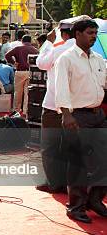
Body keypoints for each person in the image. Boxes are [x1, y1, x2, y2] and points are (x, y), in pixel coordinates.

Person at [54, 18, 107, 224]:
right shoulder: (66, 59)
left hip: (98, 115)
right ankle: (75, 207)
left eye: (95, 33)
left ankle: (95, 199)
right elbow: (61, 89)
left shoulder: (98, 59)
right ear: (77, 34)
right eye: (90, 33)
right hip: (77, 116)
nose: (94, 36)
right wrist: (67, 115)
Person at [35, 19, 78, 194]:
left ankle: (54, 182)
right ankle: (70, 184)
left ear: (63, 33)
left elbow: (41, 63)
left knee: (50, 146)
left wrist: (48, 42)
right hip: (76, 107)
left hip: (54, 105)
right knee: (71, 147)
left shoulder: (58, 49)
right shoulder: (86, 51)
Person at [6, 35, 39, 116]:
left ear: (22, 41)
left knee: (18, 93)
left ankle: (16, 110)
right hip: (30, 72)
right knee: (27, 94)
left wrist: (14, 63)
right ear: (30, 41)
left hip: (20, 71)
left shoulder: (18, 48)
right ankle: (25, 111)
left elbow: (7, 55)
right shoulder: (35, 50)